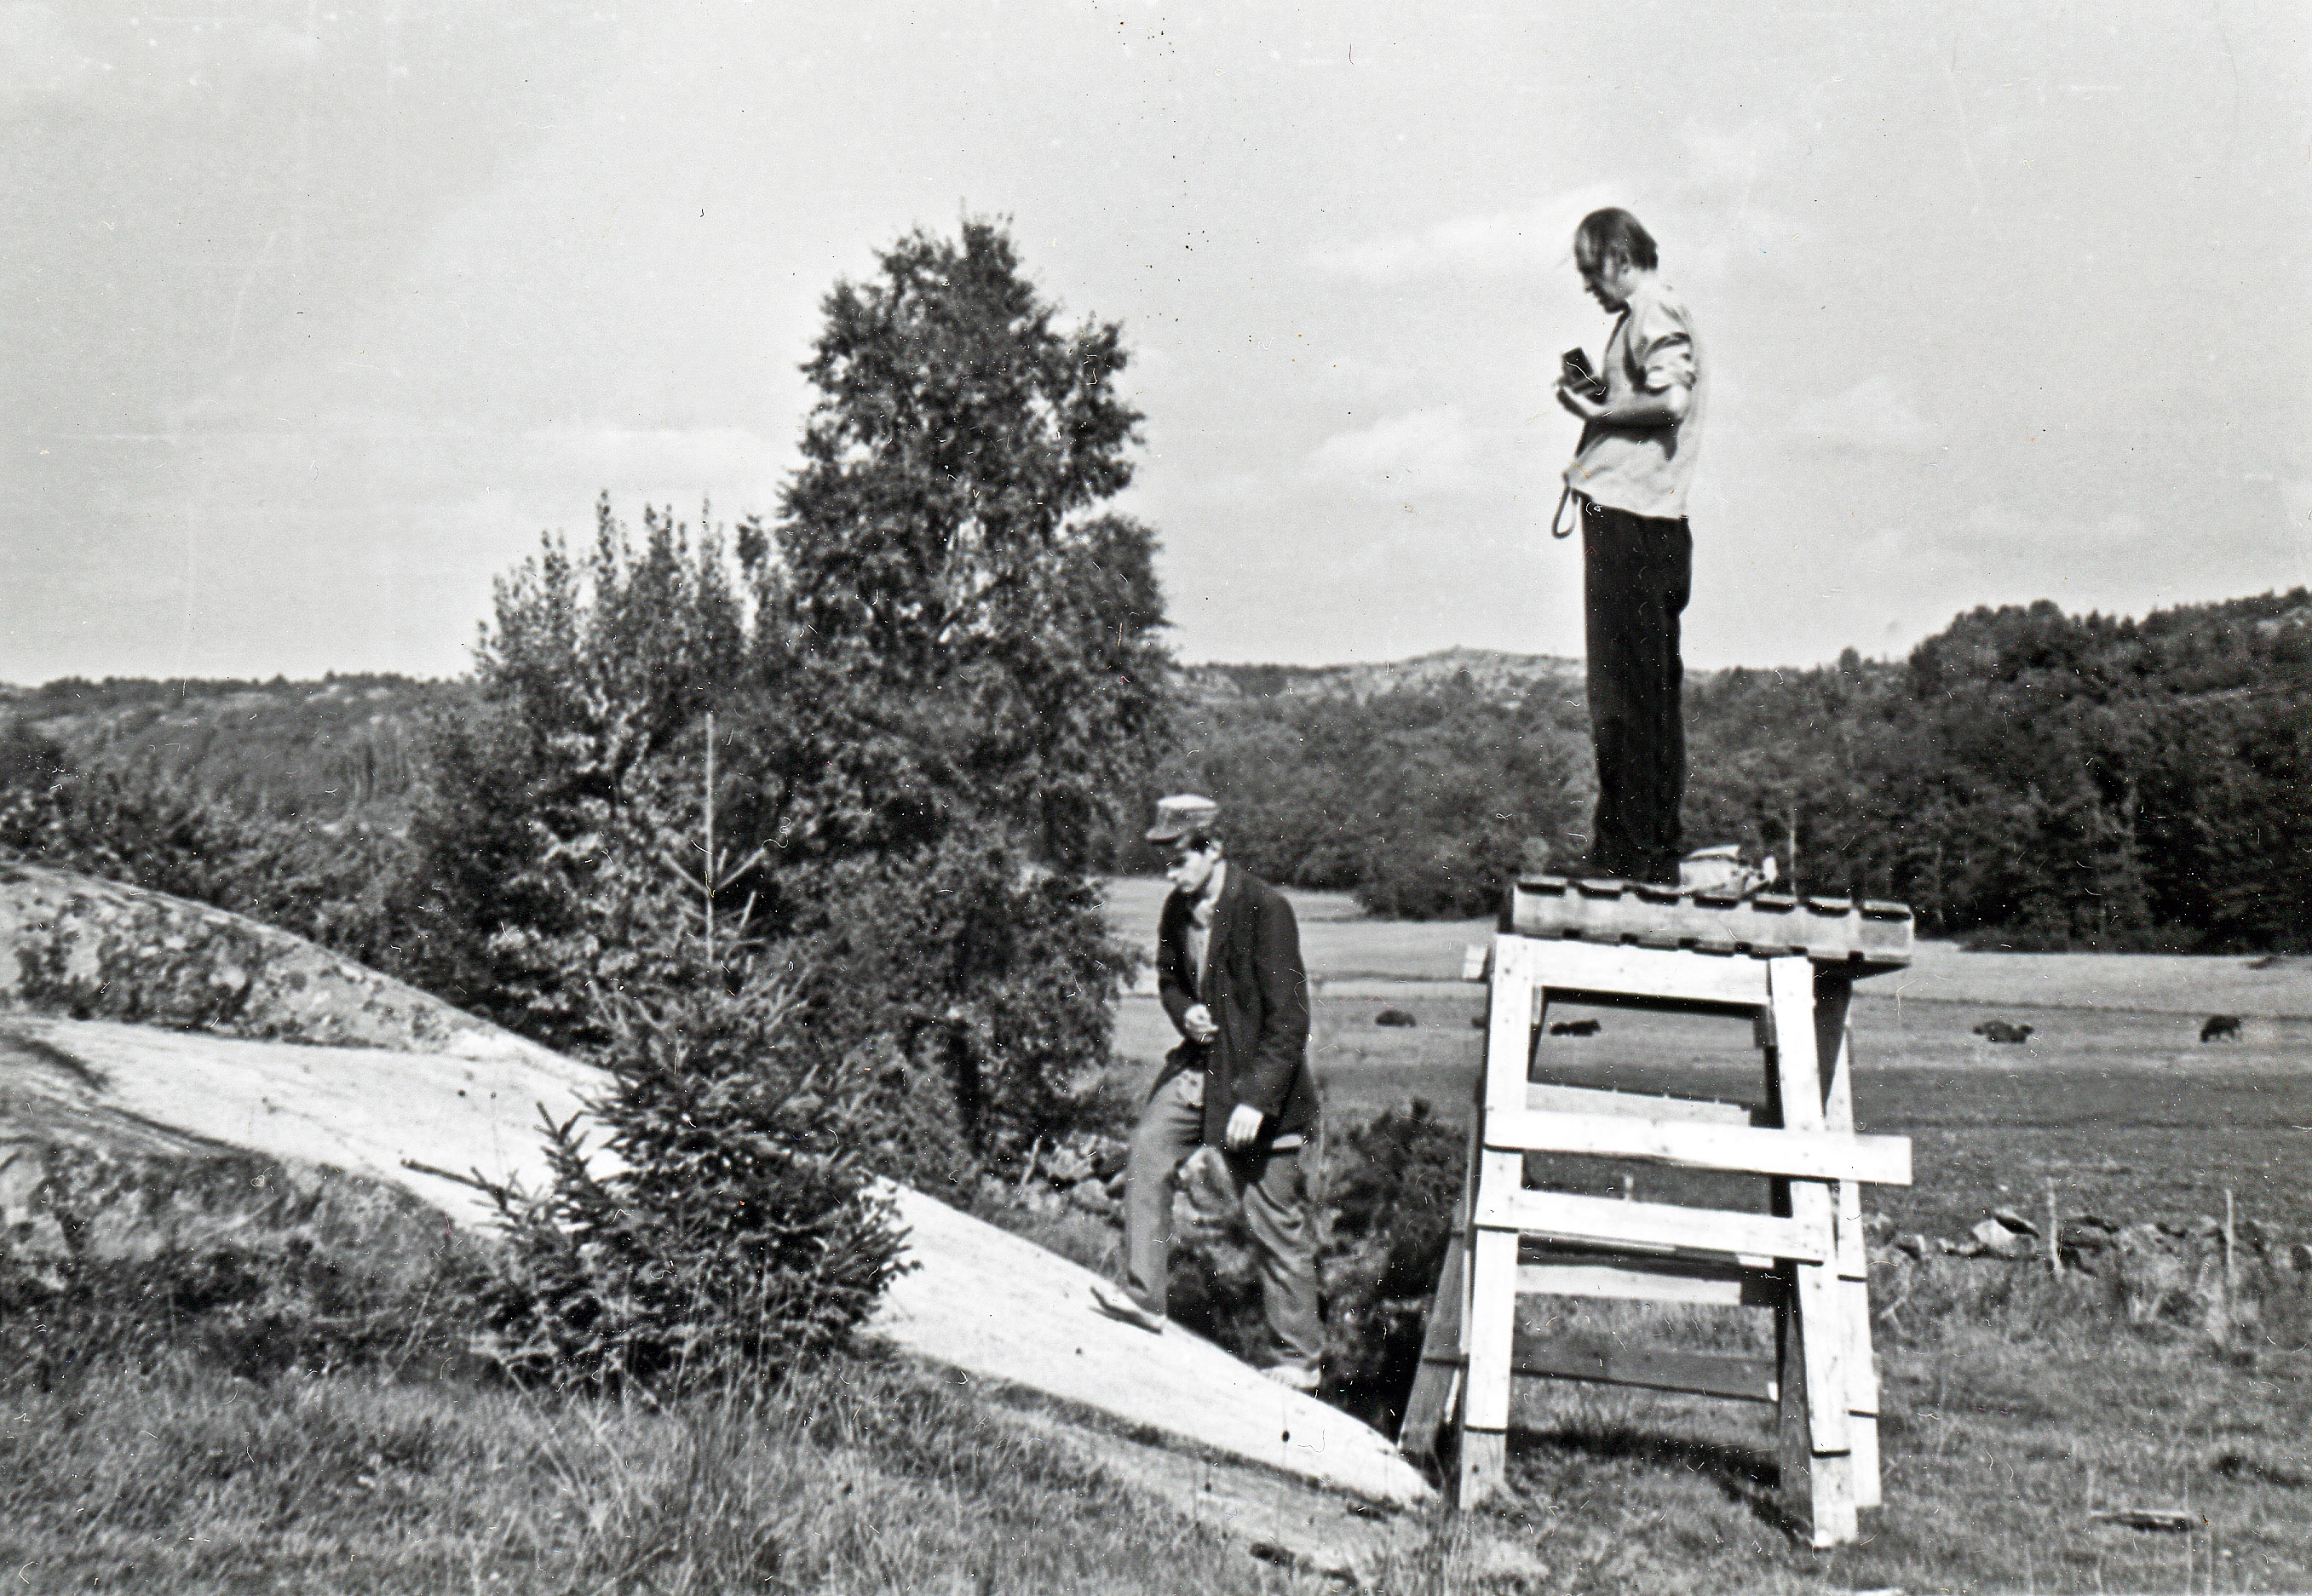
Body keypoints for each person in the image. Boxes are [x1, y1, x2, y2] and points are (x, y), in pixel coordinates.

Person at [1090, 795, 1326, 1391]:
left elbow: (1291, 1020)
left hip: (1256, 1087)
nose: (1168, 873)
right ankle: (1144, 1295)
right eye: (1163, 861)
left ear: (1213, 848)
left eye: (1177, 858)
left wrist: (1256, 1101)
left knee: (1272, 1216)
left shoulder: (1265, 911)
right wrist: (1185, 1013)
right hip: (1197, 1071)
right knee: (1148, 1152)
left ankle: (1298, 1360)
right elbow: (1169, 979)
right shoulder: (1177, 908)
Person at [1555, 207, 1705, 887]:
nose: (1590, 286)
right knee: (1628, 696)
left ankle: (1639, 853)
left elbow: (1671, 401)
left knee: (1632, 699)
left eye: (1592, 271)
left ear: (1619, 257)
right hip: (1634, 517)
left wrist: (1598, 412)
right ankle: (1627, 846)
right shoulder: (1638, 317)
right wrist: (1600, 398)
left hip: (1636, 524)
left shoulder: (1653, 308)